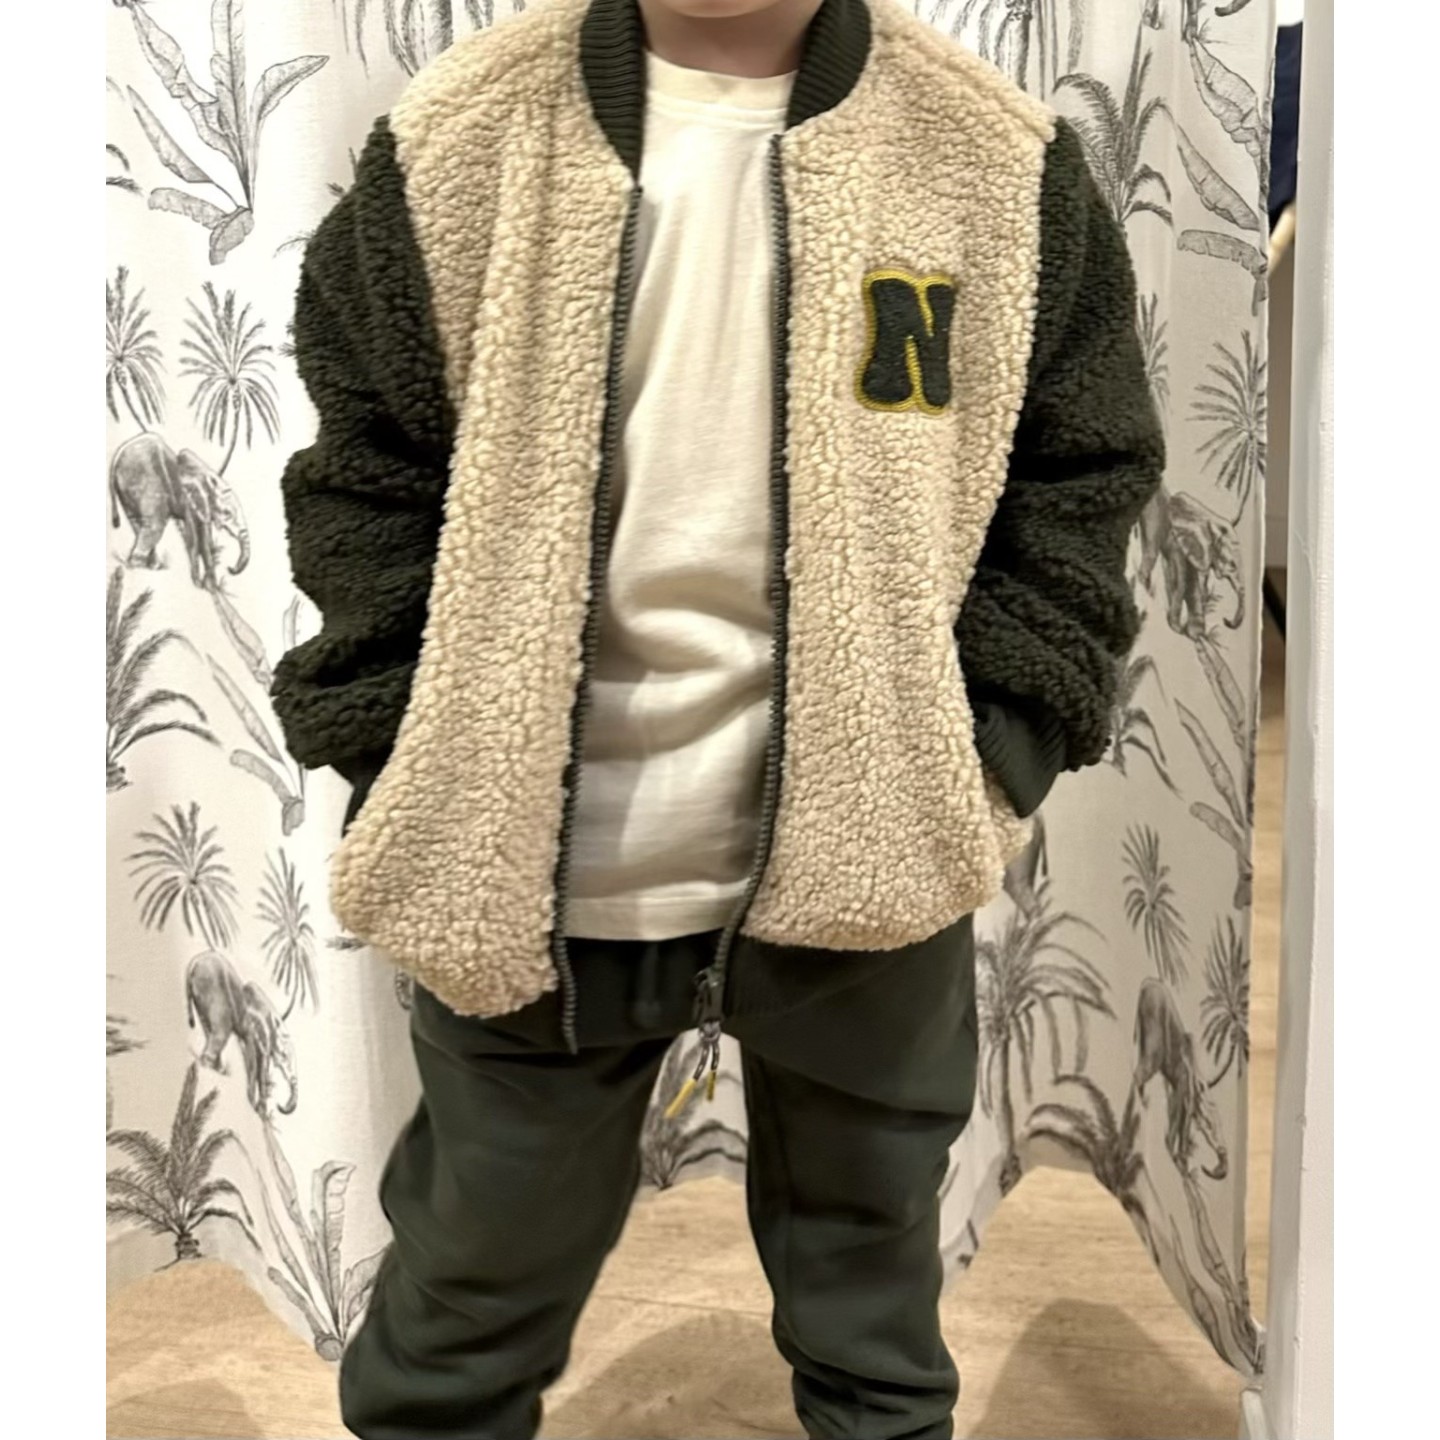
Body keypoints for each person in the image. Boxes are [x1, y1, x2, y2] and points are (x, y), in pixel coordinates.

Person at [269, 0, 1164, 1435]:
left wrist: (986, 760)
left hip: (874, 877)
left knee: (876, 1330)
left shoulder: (994, 165)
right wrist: (399, 754)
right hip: (529, 889)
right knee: (460, 1315)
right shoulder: (458, 143)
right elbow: (364, 477)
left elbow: (1081, 476)